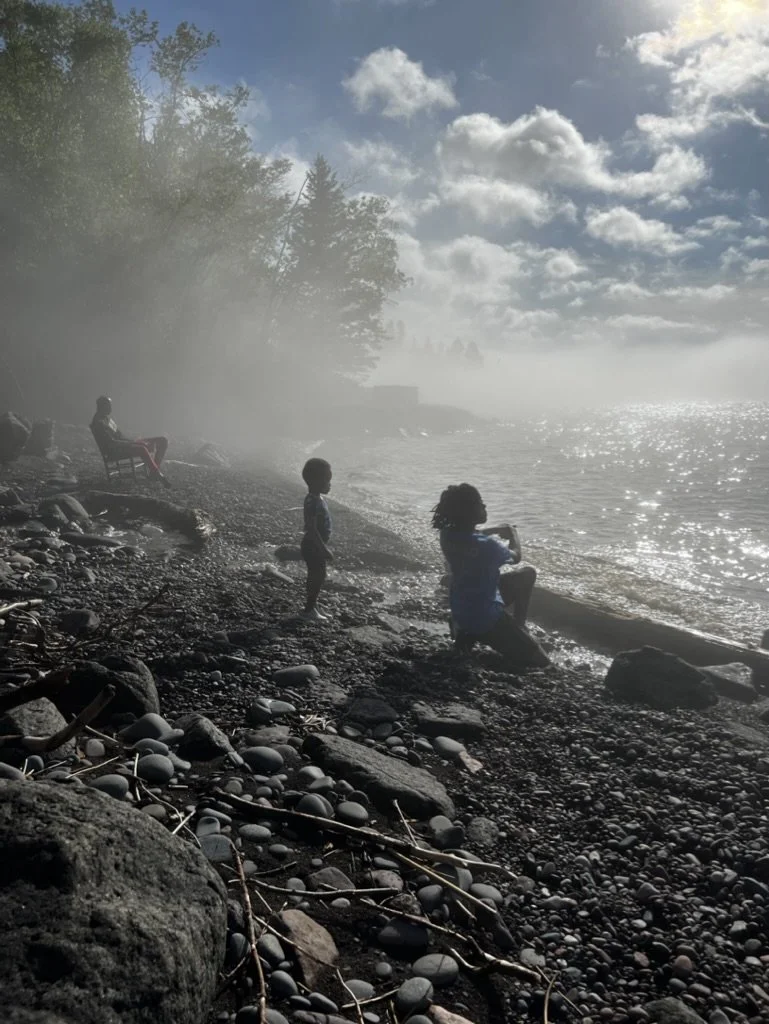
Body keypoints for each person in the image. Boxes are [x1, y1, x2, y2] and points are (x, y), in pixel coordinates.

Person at [432, 483, 550, 668]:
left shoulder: (447, 534)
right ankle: (511, 633)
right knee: (544, 663)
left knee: (525, 575)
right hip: (487, 619)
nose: (484, 507)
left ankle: (469, 630)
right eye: (480, 503)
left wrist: (495, 529)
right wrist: (513, 534)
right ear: (469, 511)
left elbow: (472, 534)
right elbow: (516, 556)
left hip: (461, 611)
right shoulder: (487, 546)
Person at [90, 396, 170, 487]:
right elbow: (112, 443)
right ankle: (157, 474)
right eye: (108, 406)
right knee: (142, 449)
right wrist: (133, 443)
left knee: (162, 440)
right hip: (115, 451)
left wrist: (134, 441)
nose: (110, 408)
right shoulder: (99, 423)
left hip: (125, 444)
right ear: (102, 406)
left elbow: (120, 436)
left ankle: (153, 472)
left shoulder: (106, 419)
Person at [300, 457, 333, 621]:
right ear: (315, 481)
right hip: (313, 545)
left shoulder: (317, 499)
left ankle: (313, 605)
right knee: (317, 576)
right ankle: (309, 610)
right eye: (327, 481)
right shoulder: (312, 501)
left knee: (319, 575)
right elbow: (312, 529)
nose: (329, 484)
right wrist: (323, 548)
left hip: (315, 544)